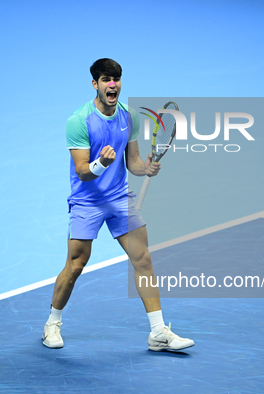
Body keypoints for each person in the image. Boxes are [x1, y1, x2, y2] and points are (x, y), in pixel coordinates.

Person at [42, 58, 194, 352]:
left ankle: (158, 333)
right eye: (105, 79)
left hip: (119, 199)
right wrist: (101, 163)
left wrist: (145, 168)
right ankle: (52, 323)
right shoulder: (79, 120)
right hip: (87, 201)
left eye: (116, 79)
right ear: (95, 84)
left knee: (143, 260)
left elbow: (133, 162)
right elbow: (82, 171)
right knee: (75, 265)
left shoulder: (129, 118)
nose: (112, 84)